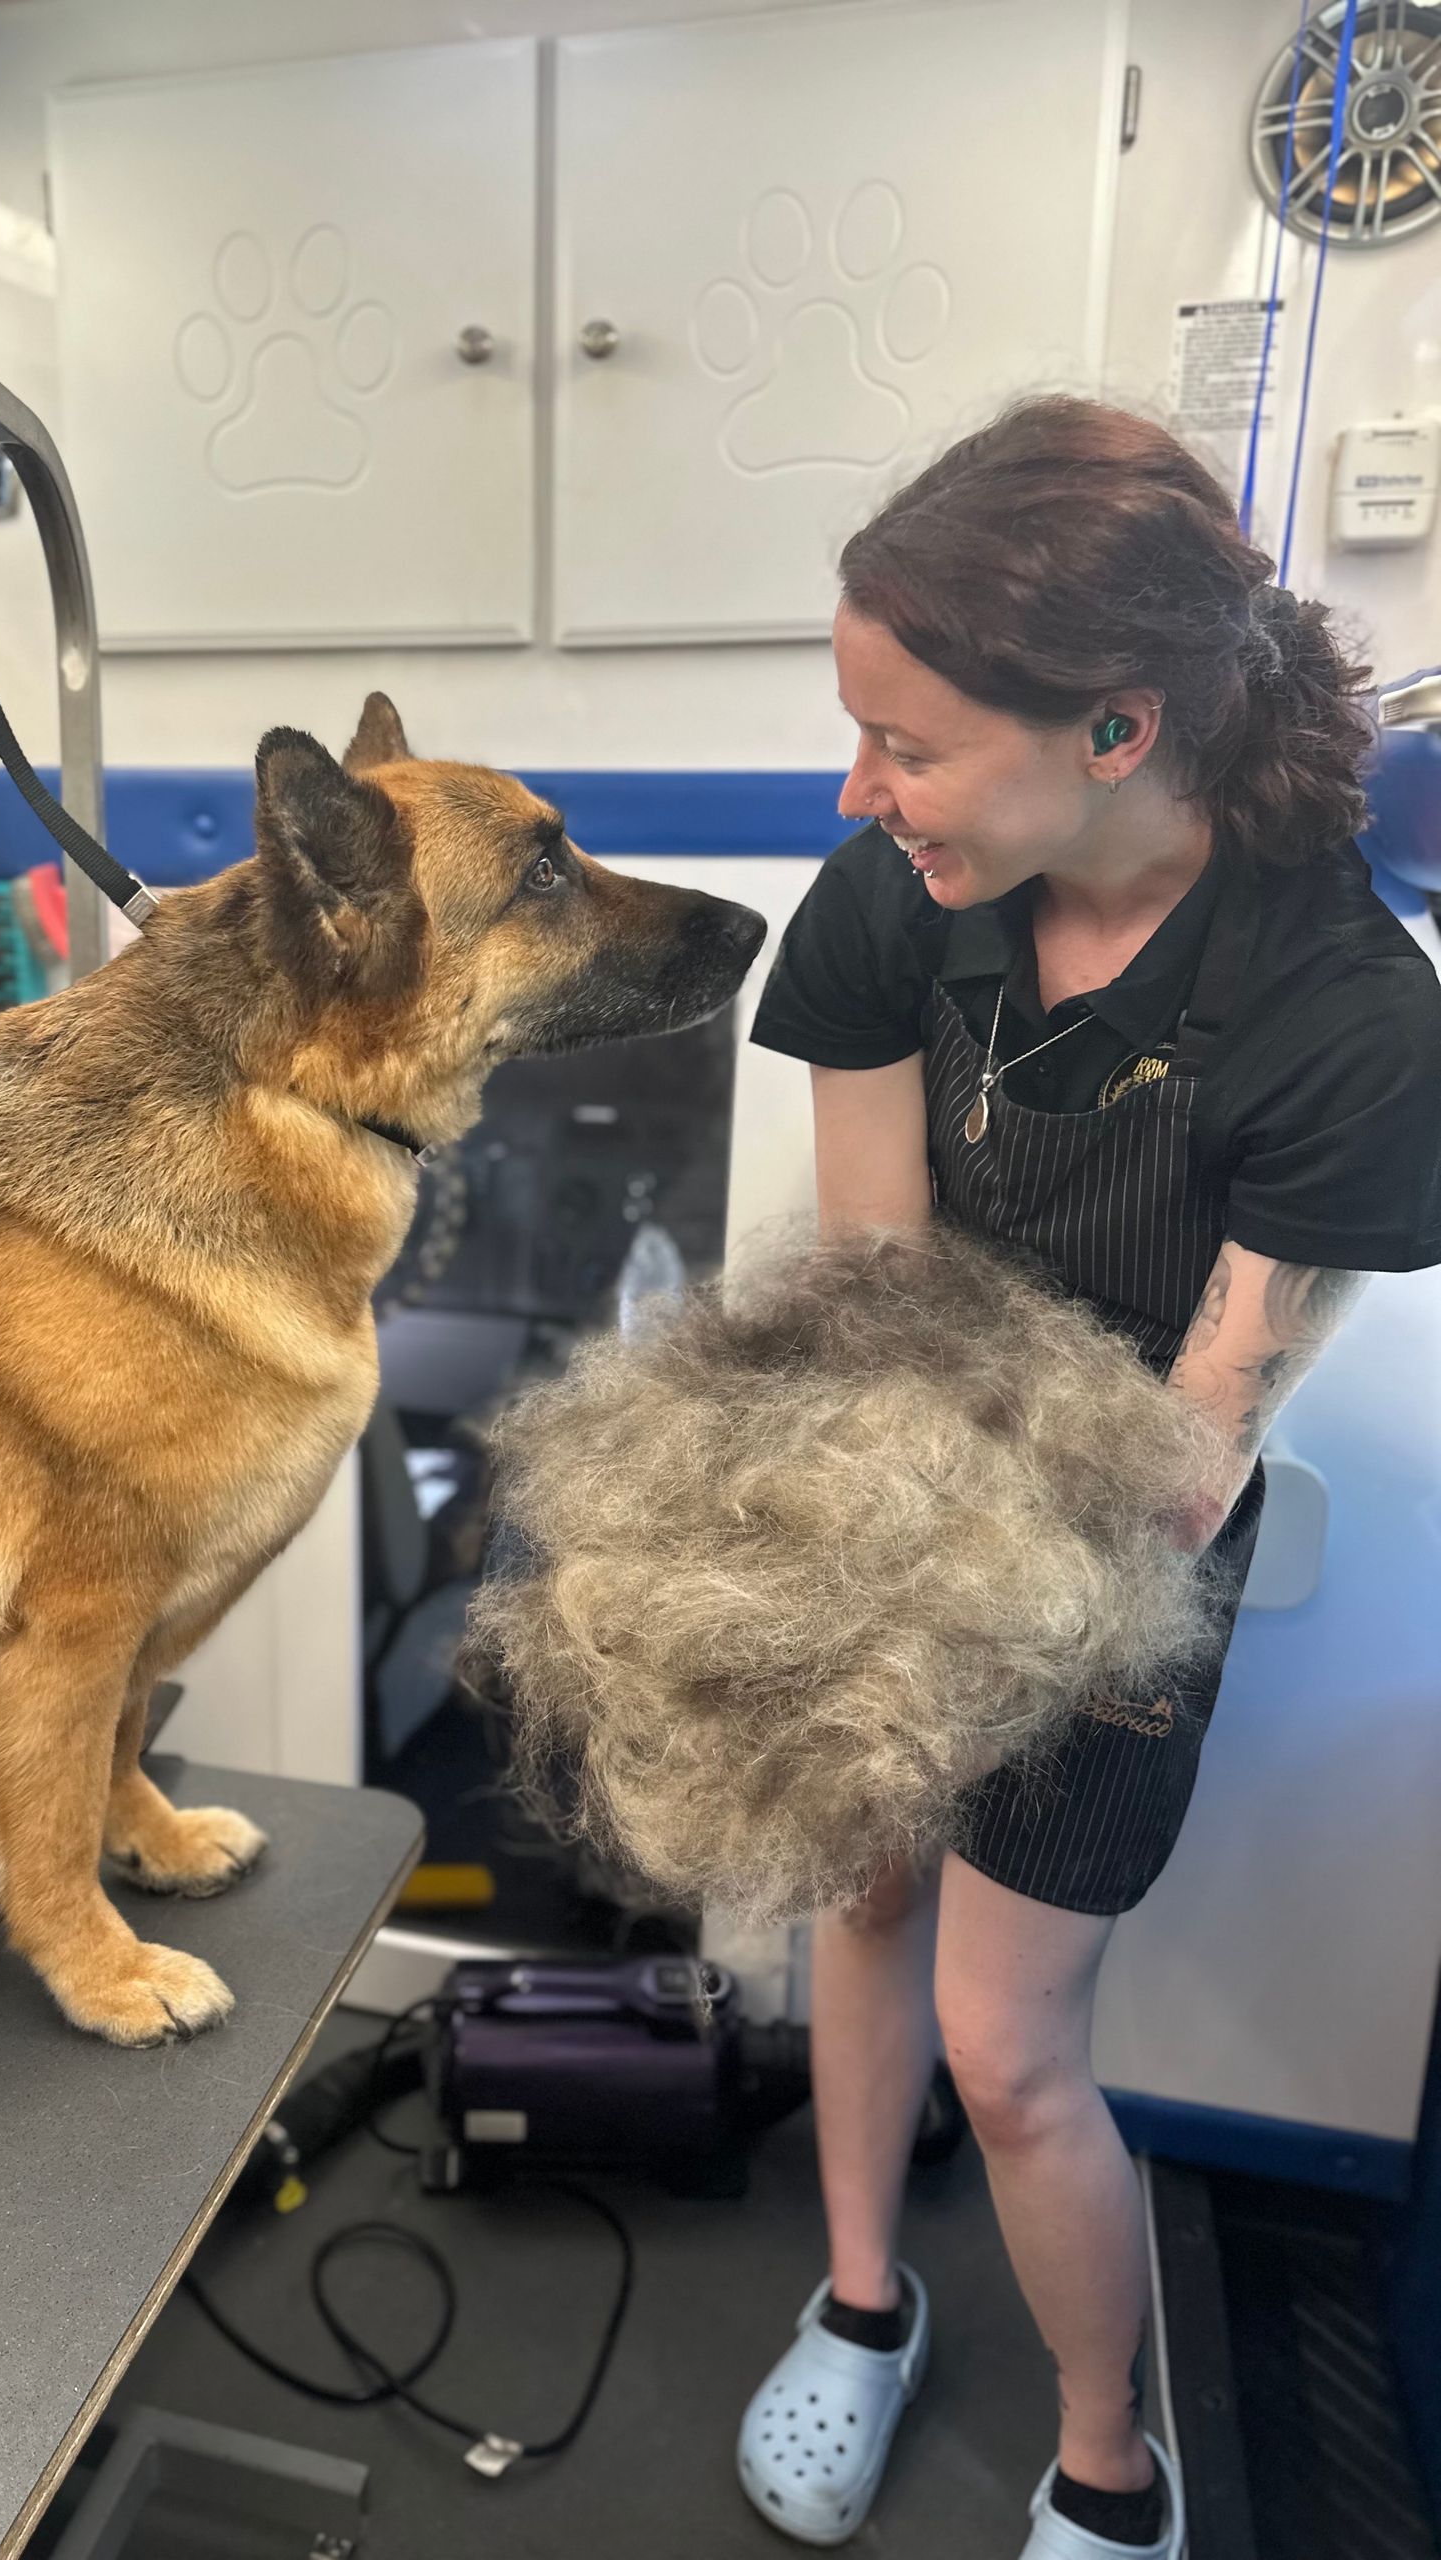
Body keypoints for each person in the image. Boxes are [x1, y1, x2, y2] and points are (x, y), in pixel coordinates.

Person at [737, 397, 1441, 2556]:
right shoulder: (891, 898)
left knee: (1014, 2044)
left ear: (1118, 728)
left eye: (911, 745)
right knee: (856, 1891)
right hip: (908, 1450)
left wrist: (1017, 1516)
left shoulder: (1346, 1006)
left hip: (1125, 1522)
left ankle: (1109, 2461)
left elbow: (1189, 1443)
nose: (861, 793)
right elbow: (874, 1268)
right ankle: (861, 2307)